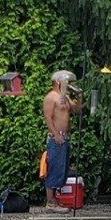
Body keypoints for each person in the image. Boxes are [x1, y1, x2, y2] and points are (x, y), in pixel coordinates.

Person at [41, 69, 79, 202]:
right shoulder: (51, 97)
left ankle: (55, 199)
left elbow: (76, 110)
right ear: (58, 82)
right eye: (66, 81)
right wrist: (55, 134)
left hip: (65, 137)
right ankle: (50, 202)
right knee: (54, 167)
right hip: (56, 137)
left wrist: (79, 97)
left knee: (62, 169)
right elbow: (48, 117)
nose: (68, 83)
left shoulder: (65, 98)